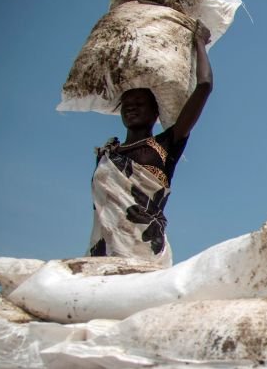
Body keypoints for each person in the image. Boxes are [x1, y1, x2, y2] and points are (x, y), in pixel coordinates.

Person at [87, 20, 213, 267]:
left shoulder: (167, 144)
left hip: (144, 251)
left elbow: (205, 85)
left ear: (156, 112)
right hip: (103, 253)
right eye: (127, 103)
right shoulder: (107, 155)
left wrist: (199, 43)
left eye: (140, 102)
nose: (132, 106)